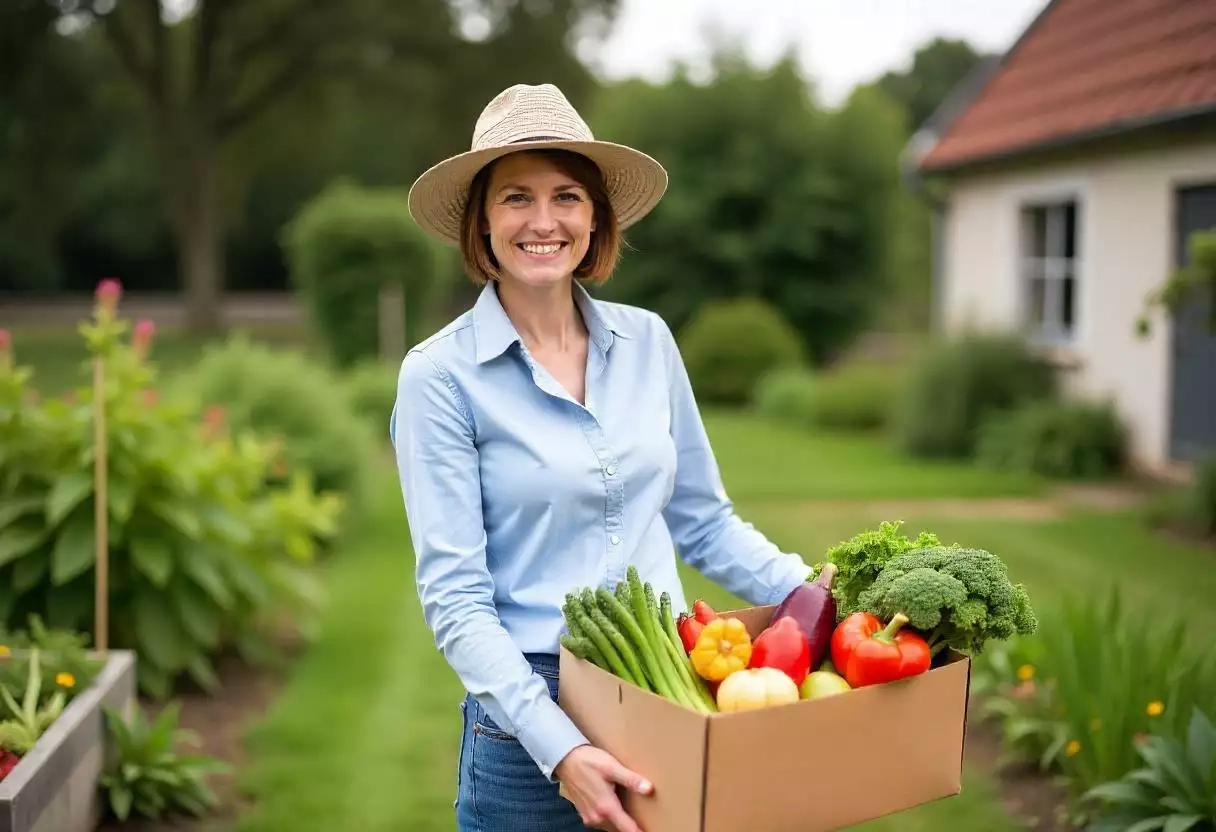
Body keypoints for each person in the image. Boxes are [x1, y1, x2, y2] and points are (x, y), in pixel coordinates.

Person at [391, 83, 813, 832]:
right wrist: (561, 750)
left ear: (596, 217)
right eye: (516, 197)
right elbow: (456, 599)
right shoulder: (441, 376)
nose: (544, 221)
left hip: (673, 686)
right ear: (481, 222)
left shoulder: (648, 341)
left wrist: (822, 595)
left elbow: (704, 523)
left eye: (567, 197)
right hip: (529, 722)